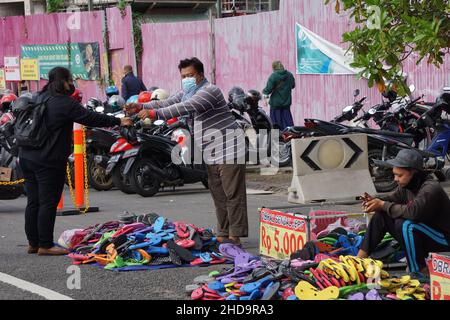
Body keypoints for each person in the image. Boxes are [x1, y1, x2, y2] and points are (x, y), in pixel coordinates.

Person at [18, 67, 132, 256]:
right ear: (63, 81)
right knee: (48, 202)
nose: (72, 84)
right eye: (69, 80)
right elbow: (91, 118)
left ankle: (34, 243)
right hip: (48, 159)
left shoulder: (38, 97)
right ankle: (45, 244)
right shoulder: (64, 102)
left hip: (27, 156)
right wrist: (119, 121)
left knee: (34, 201)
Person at [138, 57, 248, 246]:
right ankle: (223, 232)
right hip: (210, 150)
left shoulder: (210, 91)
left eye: (190, 75)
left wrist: (155, 114)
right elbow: (165, 103)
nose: (187, 79)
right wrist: (141, 107)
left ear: (201, 75)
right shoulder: (186, 92)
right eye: (183, 76)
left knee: (232, 194)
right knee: (218, 194)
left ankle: (235, 236)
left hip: (229, 147)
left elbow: (186, 107)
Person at [358, 149, 450, 277]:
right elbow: (390, 199)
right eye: (395, 174)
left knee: (406, 224)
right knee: (382, 215)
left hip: (443, 239)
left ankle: (419, 270)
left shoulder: (431, 188)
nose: (396, 179)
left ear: (414, 173)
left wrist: (382, 204)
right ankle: (358, 260)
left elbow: (413, 213)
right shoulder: (406, 187)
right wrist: (374, 201)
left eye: (400, 175)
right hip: (424, 235)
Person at [262, 61, 296, 130]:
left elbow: (267, 90)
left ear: (274, 67)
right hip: (286, 104)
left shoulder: (273, 76)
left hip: (275, 105)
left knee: (276, 125)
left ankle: (276, 139)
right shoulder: (290, 75)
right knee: (288, 123)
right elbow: (293, 86)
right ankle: (289, 139)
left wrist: (265, 100)